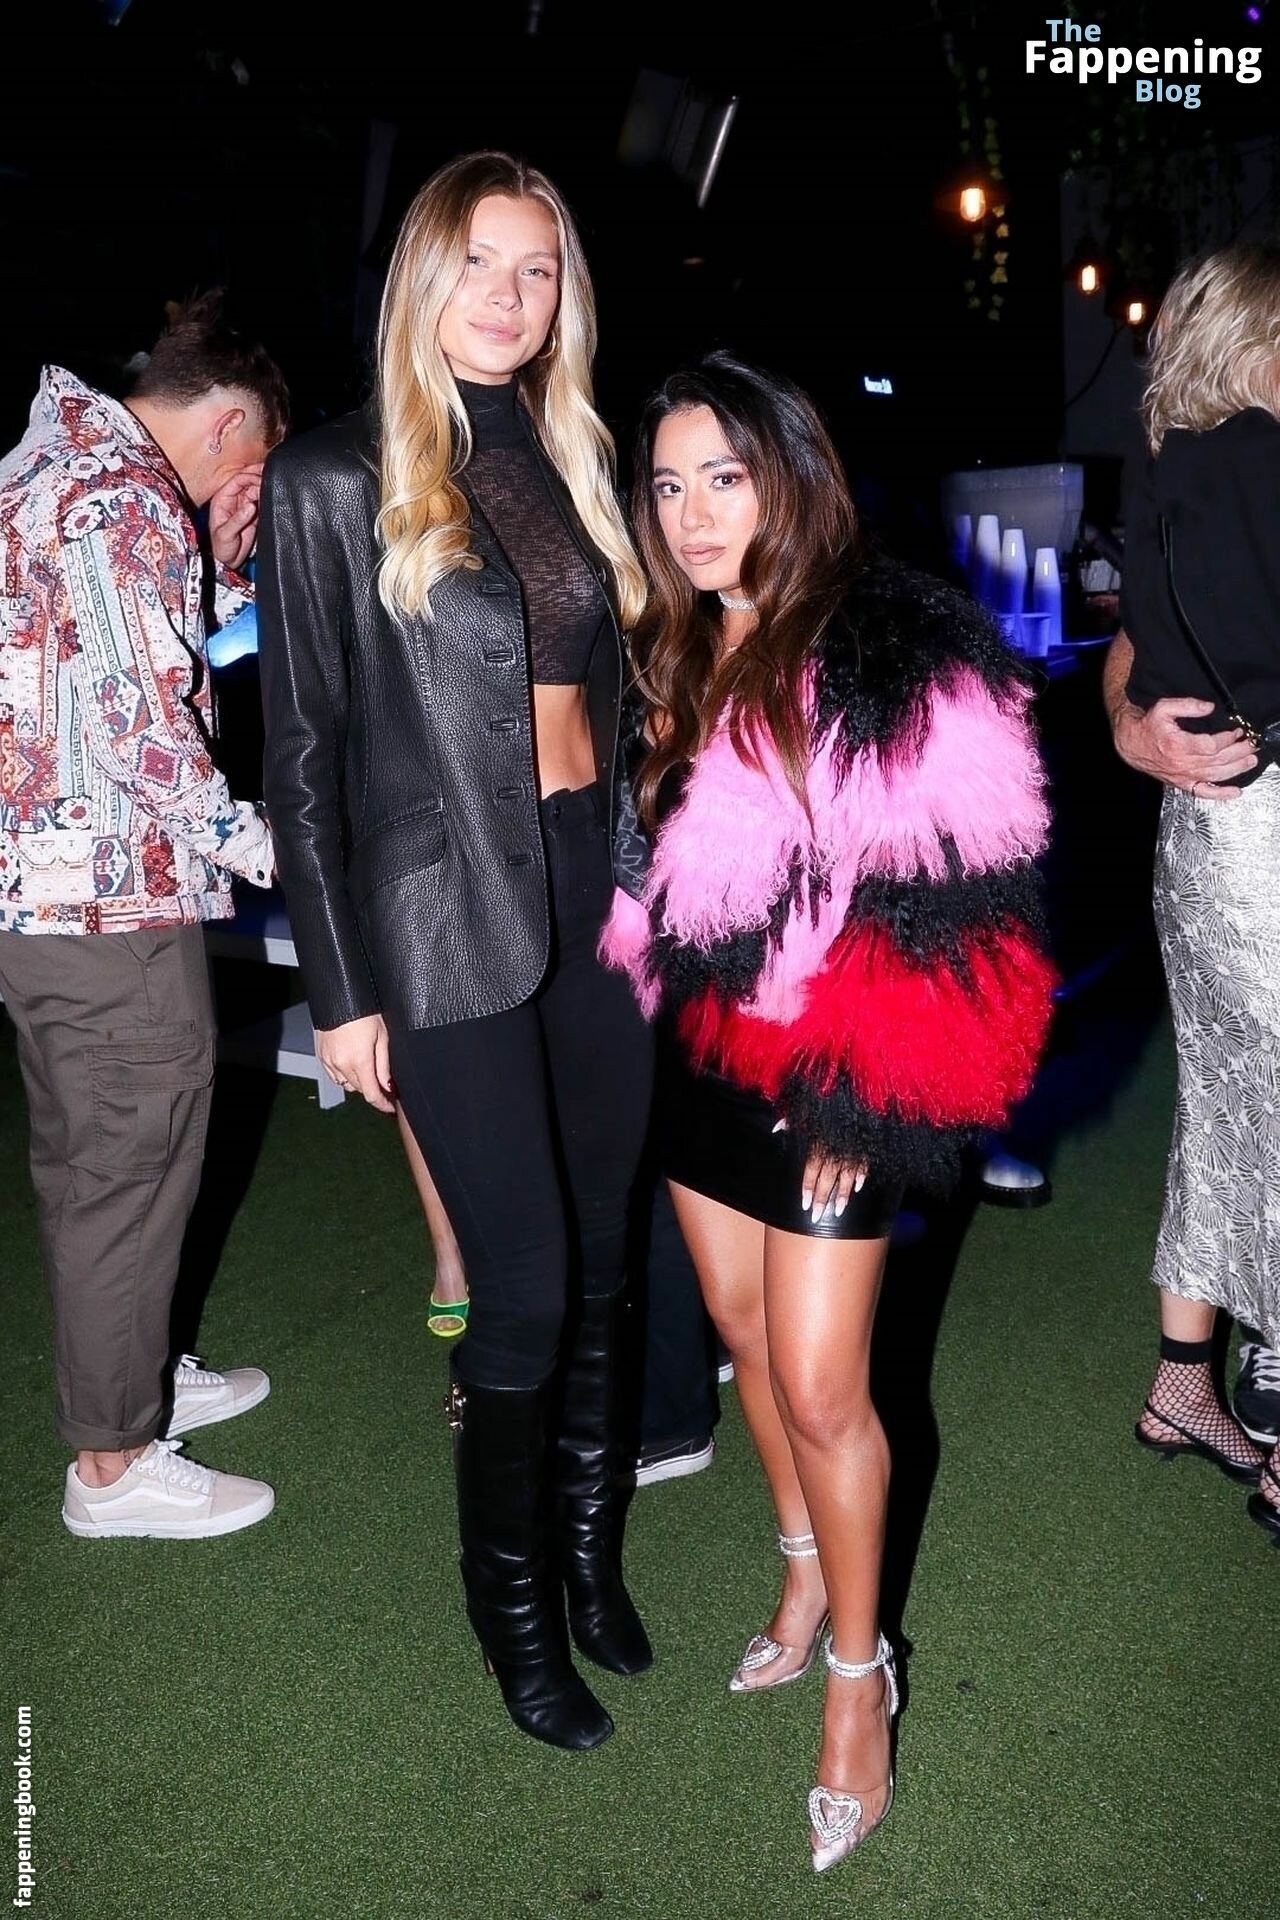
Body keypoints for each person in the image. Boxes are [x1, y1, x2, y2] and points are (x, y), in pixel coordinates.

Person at [600, 353, 1054, 1870]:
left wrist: (877, 1082)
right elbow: (650, 876)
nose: (693, 514)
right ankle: (800, 1566)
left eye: (724, 478)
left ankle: (861, 1680)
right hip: (704, 1053)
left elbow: (968, 898)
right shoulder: (673, 645)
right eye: (669, 484)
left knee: (818, 1383)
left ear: (789, 473)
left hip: (840, 1068)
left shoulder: (891, 647)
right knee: (742, 1337)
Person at [256, 151, 653, 1751]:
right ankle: (515, 1623)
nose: (509, 294)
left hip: (594, 893)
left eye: (537, 268)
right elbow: (300, 759)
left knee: (610, 1264)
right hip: (439, 924)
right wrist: (341, 991)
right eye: (480, 262)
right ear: (422, 276)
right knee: (526, 1288)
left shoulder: (576, 455)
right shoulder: (330, 478)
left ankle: (588, 1555)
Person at [0, 292, 287, 1538]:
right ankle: (112, 1467)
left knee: (93, 1165)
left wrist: (213, 563)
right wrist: (258, 840)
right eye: (254, 457)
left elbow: (104, 664)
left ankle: (137, 1374)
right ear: (226, 425)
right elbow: (138, 727)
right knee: (129, 1166)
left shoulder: (49, 469)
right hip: (112, 899)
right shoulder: (121, 497)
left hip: (47, 898)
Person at [1102, 241, 1280, 1537]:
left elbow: (1136, 635)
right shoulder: (1259, 461)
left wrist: (1133, 725)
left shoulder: (1164, 460)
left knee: (1223, 1107)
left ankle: (1182, 1383)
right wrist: (1128, 726)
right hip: (1258, 825)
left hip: (1199, 840)